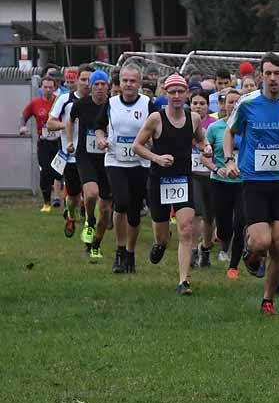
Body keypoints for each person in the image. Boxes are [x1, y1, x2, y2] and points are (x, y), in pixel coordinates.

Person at [223, 53, 279, 316]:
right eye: (268, 73)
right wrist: (230, 160)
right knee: (262, 242)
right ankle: (250, 247)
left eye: (277, 73)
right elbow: (230, 132)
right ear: (260, 75)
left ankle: (267, 299)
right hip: (254, 179)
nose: (273, 78)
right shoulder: (248, 103)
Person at [133, 74, 213, 295]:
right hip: (159, 180)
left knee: (186, 229)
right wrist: (157, 158)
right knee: (162, 233)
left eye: (180, 91)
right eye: (172, 91)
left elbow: (200, 138)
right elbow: (137, 146)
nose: (177, 96)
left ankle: (183, 281)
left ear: (186, 93)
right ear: (166, 94)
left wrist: (205, 147)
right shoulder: (155, 119)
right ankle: (160, 243)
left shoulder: (193, 118)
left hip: (183, 179)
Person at [95, 63, 157, 274]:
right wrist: (102, 139)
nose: (129, 85)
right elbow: (98, 127)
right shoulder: (111, 103)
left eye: (133, 81)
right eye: (125, 81)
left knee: (134, 212)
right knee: (120, 201)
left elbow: (158, 129)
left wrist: (152, 144)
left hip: (140, 163)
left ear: (139, 83)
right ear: (119, 83)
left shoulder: (148, 104)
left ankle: (130, 253)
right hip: (115, 160)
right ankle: (120, 251)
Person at [66, 70, 112, 262]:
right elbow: (70, 121)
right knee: (91, 193)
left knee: (105, 210)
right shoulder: (80, 104)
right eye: (96, 84)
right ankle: (89, 220)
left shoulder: (113, 105)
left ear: (108, 87)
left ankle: (96, 245)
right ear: (91, 87)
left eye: (103, 84)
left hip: (108, 159)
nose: (100, 88)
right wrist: (70, 141)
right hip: (85, 156)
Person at [46, 64, 94, 237]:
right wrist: (66, 125)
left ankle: (90, 222)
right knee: (73, 196)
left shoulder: (100, 101)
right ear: (77, 81)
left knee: (91, 193)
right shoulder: (65, 99)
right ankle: (71, 216)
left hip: (93, 156)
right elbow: (50, 123)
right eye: (83, 79)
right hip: (71, 156)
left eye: (90, 80)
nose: (87, 83)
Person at [204, 90, 245, 279]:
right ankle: (222, 243)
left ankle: (232, 256)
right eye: (230, 102)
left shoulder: (248, 127)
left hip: (243, 182)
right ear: (224, 105)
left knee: (240, 222)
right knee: (223, 222)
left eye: (238, 101)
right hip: (220, 181)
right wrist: (215, 168)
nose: (234, 105)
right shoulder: (215, 128)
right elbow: (204, 157)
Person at [20, 76, 60, 212]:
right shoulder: (35, 103)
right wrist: (22, 126)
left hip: (59, 142)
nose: (48, 90)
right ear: (41, 88)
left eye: (50, 87)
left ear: (55, 88)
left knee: (60, 171)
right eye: (45, 87)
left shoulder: (59, 102)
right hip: (44, 142)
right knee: (46, 171)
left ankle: (59, 197)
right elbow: (24, 115)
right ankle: (47, 202)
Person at [188, 89, 218, 268]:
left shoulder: (213, 124)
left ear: (208, 106)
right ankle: (192, 250)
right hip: (192, 174)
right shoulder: (183, 121)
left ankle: (205, 249)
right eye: (195, 103)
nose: (198, 107)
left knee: (209, 216)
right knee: (194, 214)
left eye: (202, 103)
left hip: (211, 174)